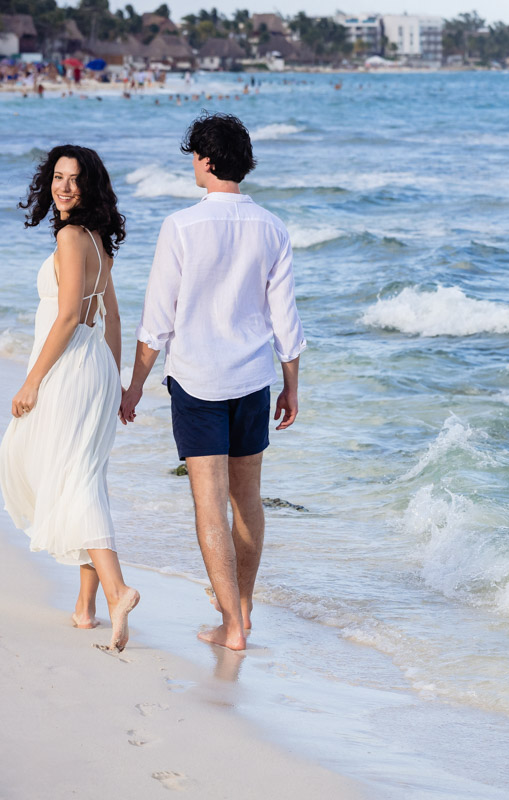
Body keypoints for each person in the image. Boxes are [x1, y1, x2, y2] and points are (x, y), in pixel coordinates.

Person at [120, 113, 305, 652]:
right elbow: (285, 321)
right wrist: (291, 385)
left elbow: (158, 320)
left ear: (205, 159)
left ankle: (232, 627)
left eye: (194, 158)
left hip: (197, 381)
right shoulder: (272, 227)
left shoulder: (181, 226)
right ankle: (240, 608)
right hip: (252, 380)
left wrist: (134, 387)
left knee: (209, 504)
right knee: (248, 500)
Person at [0, 145, 140, 651]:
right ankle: (85, 608)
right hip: (96, 366)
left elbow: (65, 318)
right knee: (86, 477)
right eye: (57, 177)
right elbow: (114, 318)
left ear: (89, 186)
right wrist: (120, 384)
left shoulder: (68, 237)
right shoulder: (96, 239)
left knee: (70, 479)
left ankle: (118, 589)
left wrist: (32, 379)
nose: (63, 187)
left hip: (72, 368)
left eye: (74, 180)